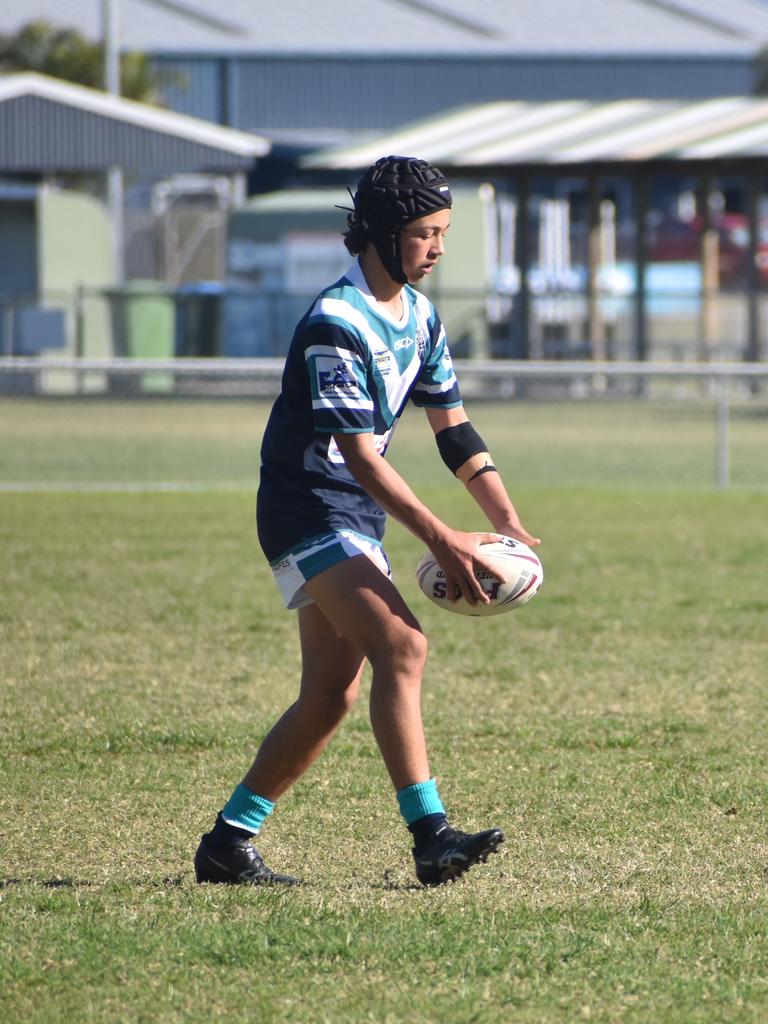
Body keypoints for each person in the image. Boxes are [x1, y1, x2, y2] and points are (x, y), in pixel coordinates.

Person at [194, 155, 540, 888]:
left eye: (444, 232)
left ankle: (228, 843)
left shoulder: (420, 318)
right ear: (380, 235)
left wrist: (505, 520)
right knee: (404, 646)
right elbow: (358, 457)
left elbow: (455, 429)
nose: (438, 248)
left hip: (350, 510)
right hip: (306, 503)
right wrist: (443, 539)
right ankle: (431, 837)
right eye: (424, 233)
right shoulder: (336, 322)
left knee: (330, 694)